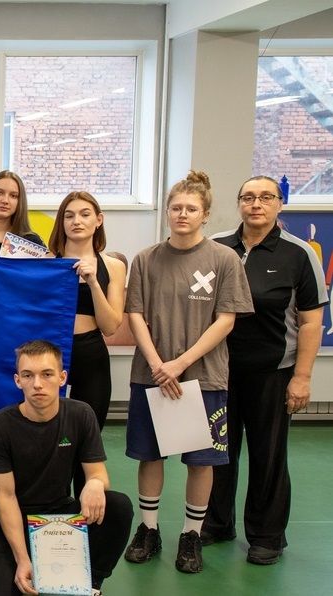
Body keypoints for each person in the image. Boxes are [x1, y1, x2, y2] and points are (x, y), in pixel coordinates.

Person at [122, 170, 253, 574]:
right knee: (150, 456)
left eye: (191, 209)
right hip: (151, 376)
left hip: (204, 378)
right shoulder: (145, 259)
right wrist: (158, 365)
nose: (182, 214)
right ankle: (148, 529)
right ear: (167, 212)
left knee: (201, 461)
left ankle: (191, 535)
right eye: (176, 207)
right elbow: (135, 315)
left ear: (205, 214)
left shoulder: (224, 259)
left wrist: (180, 364)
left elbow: (226, 320)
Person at [205, 175, 328, 565]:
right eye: (248, 197)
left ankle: (266, 536)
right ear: (239, 203)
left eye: (265, 197)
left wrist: (302, 377)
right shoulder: (217, 247)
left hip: (273, 372)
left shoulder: (298, 253)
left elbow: (311, 322)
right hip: (219, 371)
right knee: (217, 452)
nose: (256, 204)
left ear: (279, 204)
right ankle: (216, 523)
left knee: (268, 456)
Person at [0, 340, 132, 596]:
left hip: (61, 517)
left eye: (47, 374)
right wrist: (22, 559)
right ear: (18, 381)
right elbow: (5, 497)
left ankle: (91, 582)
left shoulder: (81, 414)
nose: (37, 384)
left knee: (118, 506)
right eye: (28, 375)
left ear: (62, 378)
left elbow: (98, 474)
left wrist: (95, 483)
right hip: (16, 519)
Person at [46, 191, 126, 429]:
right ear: (61, 222)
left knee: (88, 430)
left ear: (98, 220)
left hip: (90, 353)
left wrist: (93, 283)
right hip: (49, 352)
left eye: (84, 214)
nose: (76, 221)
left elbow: (110, 327)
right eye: (69, 216)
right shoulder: (44, 262)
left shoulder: (114, 266)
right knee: (47, 432)